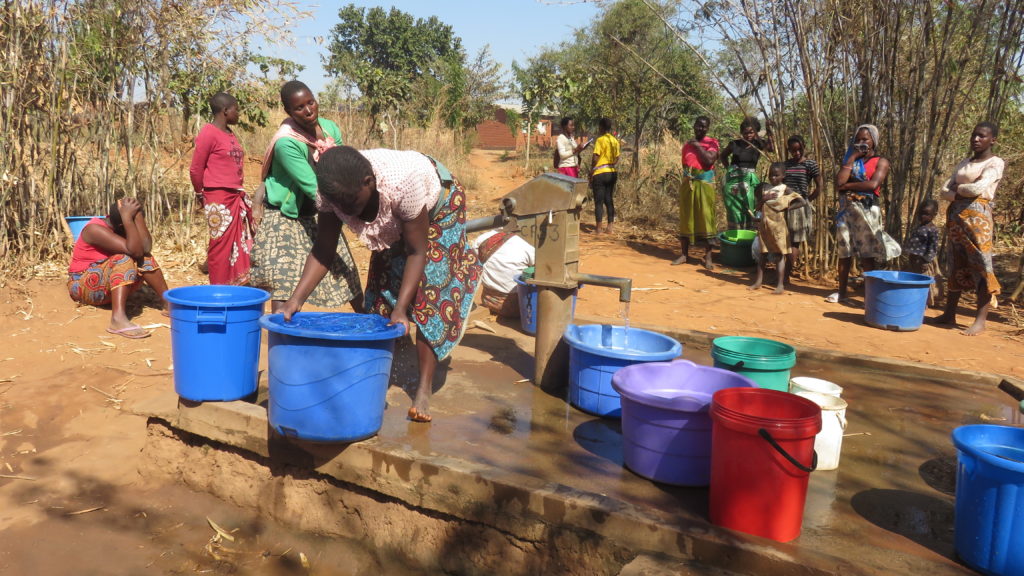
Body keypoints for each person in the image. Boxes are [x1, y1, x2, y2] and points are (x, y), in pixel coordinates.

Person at [280, 147, 482, 424]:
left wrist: (401, 308)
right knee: (381, 284)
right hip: (398, 213)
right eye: (341, 206)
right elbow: (324, 248)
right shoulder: (332, 193)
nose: (348, 212)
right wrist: (296, 300)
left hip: (439, 206)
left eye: (352, 203)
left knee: (430, 290)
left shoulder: (402, 184)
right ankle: (381, 367)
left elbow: (417, 252)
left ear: (369, 182)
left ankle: (423, 387)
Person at [250, 80, 362, 313]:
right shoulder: (286, 143)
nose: (309, 110)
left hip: (318, 210)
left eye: (311, 102)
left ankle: (375, 329)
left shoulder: (330, 128)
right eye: (300, 108)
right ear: (289, 112)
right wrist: (352, 213)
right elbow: (312, 187)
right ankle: (281, 340)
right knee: (283, 282)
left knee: (345, 272)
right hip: (284, 216)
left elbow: (340, 167)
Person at [932, 122, 1004, 335]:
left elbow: (978, 188)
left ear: (993, 140)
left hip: (978, 220)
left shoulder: (995, 163)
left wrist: (958, 189)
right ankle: (949, 313)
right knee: (956, 263)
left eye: (982, 136)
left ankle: (980, 320)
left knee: (981, 265)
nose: (976, 139)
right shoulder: (965, 163)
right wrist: (957, 193)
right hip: (956, 219)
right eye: (974, 135)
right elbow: (943, 190)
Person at [67, 198, 170, 339]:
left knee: (145, 257)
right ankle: (117, 318)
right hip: (83, 285)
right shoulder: (94, 229)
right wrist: (128, 219)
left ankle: (168, 303)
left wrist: (138, 216)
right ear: (123, 224)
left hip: (105, 284)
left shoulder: (121, 228)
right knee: (123, 258)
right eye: (132, 221)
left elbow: (145, 248)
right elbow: (134, 252)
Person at [827, 124, 901, 304]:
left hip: (868, 211)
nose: (861, 143)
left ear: (873, 141)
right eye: (857, 139)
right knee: (844, 252)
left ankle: (871, 297)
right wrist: (852, 157)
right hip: (847, 210)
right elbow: (839, 182)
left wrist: (847, 187)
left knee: (867, 255)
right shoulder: (851, 160)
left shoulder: (881, 161)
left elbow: (872, 185)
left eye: (865, 139)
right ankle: (842, 292)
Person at [189, 92, 253, 285]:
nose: (239, 114)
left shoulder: (230, 133)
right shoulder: (208, 133)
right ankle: (218, 289)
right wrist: (201, 194)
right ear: (225, 111)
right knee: (219, 245)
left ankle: (235, 285)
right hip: (218, 196)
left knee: (235, 243)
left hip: (234, 196)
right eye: (237, 109)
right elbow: (196, 168)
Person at [750, 163, 806, 295]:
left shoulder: (784, 189)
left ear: (783, 176)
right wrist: (763, 199)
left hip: (778, 227)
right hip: (765, 226)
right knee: (763, 254)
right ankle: (758, 281)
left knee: (779, 255)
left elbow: (801, 201)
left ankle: (780, 284)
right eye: (771, 175)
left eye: (776, 175)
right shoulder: (765, 188)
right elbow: (757, 208)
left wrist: (786, 207)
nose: (773, 178)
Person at [674, 116, 719, 269]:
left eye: (704, 126)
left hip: (705, 184)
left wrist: (699, 146)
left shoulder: (712, 143)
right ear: (693, 126)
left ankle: (708, 257)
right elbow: (685, 164)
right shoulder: (687, 145)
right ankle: (684, 254)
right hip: (689, 184)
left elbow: (708, 161)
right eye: (698, 125)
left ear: (708, 128)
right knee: (686, 218)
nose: (700, 128)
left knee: (706, 218)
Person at [720, 117, 771, 230]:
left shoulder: (758, 144)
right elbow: (723, 155)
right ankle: (735, 233)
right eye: (746, 132)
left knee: (750, 207)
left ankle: (748, 235)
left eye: (751, 132)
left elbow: (771, 148)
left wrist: (769, 130)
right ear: (742, 132)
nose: (748, 135)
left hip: (750, 182)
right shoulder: (734, 144)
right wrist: (729, 169)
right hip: (733, 181)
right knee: (734, 208)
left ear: (756, 132)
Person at [782, 135, 823, 278]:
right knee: (783, 241)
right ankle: (782, 274)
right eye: (793, 151)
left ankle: (785, 276)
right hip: (785, 205)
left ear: (804, 147)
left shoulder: (810, 164)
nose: (797, 153)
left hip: (799, 208)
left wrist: (806, 201)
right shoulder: (785, 165)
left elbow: (819, 187)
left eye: (799, 150)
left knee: (794, 243)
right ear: (789, 150)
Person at [473, 230, 535, 318]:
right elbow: (540, 266)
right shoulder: (523, 245)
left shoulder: (480, 240)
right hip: (517, 307)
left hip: (488, 302)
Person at [903, 198, 941, 308]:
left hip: (923, 261)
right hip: (914, 259)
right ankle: (913, 300)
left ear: (934, 214)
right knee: (912, 279)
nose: (923, 216)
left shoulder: (932, 229)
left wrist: (926, 261)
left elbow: (932, 248)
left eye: (927, 214)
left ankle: (924, 302)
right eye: (921, 213)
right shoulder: (920, 226)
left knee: (923, 282)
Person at [589, 117, 620, 234]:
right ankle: (610, 227)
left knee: (599, 201)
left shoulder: (600, 140)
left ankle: (598, 228)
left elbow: (595, 157)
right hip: (612, 172)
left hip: (600, 173)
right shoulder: (615, 141)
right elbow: (617, 158)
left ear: (601, 127)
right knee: (609, 199)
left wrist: (592, 170)